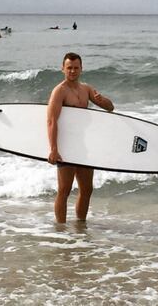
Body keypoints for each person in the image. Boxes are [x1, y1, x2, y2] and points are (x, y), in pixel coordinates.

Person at [47, 52, 114, 224]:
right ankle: (61, 231)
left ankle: (80, 228)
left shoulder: (86, 89)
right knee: (64, 190)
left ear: (81, 69)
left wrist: (103, 100)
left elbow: (110, 108)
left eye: (76, 68)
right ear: (63, 68)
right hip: (66, 145)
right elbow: (51, 121)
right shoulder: (59, 91)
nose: (72, 71)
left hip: (83, 145)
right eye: (69, 68)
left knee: (87, 189)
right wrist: (54, 149)